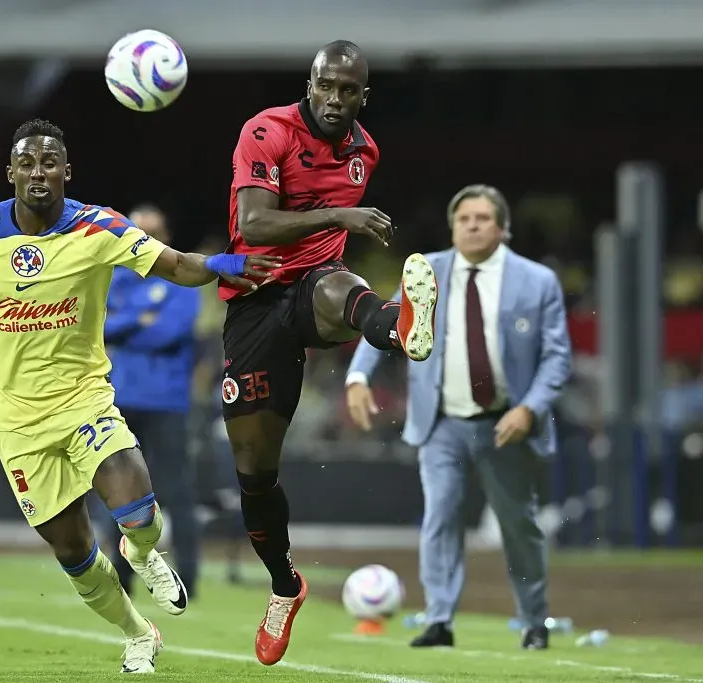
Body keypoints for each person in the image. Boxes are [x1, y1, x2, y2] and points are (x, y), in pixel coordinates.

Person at [0, 119, 277, 674]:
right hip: (15, 421)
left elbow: (173, 264)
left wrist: (223, 264)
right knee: (74, 553)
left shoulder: (99, 228)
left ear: (66, 171)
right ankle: (137, 633)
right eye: (26, 163)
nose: (38, 172)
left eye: (49, 162)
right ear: (10, 172)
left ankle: (143, 551)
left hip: (84, 400)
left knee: (139, 507)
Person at [219, 39, 439, 665]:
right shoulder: (266, 131)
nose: (337, 99)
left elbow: (327, 242)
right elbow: (256, 224)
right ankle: (285, 586)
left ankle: (397, 326)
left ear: (363, 95)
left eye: (350, 90)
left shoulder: (364, 151)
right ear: (309, 85)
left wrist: (339, 225)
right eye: (327, 87)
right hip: (256, 296)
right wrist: (343, 215)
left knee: (339, 284)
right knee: (254, 472)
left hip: (315, 289)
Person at [345, 184, 572, 651]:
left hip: (506, 420)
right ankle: (440, 619)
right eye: (463, 218)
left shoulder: (537, 282)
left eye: (483, 218)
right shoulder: (426, 272)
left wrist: (530, 407)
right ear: (452, 226)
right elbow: (384, 325)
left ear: (503, 228)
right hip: (441, 420)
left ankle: (534, 619)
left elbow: (557, 358)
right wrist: (358, 379)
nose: (471, 225)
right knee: (440, 515)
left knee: (518, 524)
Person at [90, 203, 202, 600]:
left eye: (154, 233)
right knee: (117, 489)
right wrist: (142, 318)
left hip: (167, 401)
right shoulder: (115, 279)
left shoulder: (181, 281)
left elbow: (170, 331)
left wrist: (128, 323)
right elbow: (99, 328)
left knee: (176, 489)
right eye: (140, 233)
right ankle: (122, 576)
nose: (147, 240)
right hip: (121, 399)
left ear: (166, 239)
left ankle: (189, 577)